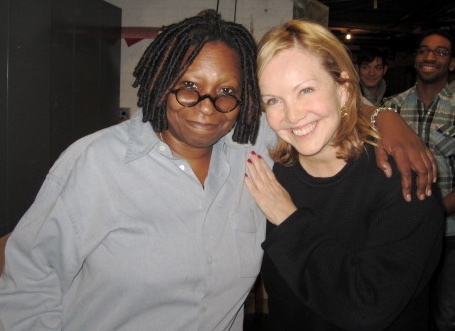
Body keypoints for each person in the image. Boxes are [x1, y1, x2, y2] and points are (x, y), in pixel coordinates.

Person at [0, 10, 437, 331]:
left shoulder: (254, 152)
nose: (207, 108)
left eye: (228, 92)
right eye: (189, 86)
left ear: (243, 101)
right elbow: (28, 282)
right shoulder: (97, 162)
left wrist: (383, 118)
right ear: (158, 82)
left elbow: (311, 105)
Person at [244, 19, 444, 330]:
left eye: (306, 90)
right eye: (273, 100)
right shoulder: (274, 175)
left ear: (343, 88)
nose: (292, 115)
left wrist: (288, 219)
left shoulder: (403, 178)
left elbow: (367, 307)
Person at [383, 29, 455, 331]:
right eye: (424, 50)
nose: (430, 57)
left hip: (450, 234)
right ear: (415, 59)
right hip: (402, 234)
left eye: (440, 52)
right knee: (402, 312)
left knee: (446, 314)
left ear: (452, 63)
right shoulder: (391, 109)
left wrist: (436, 213)